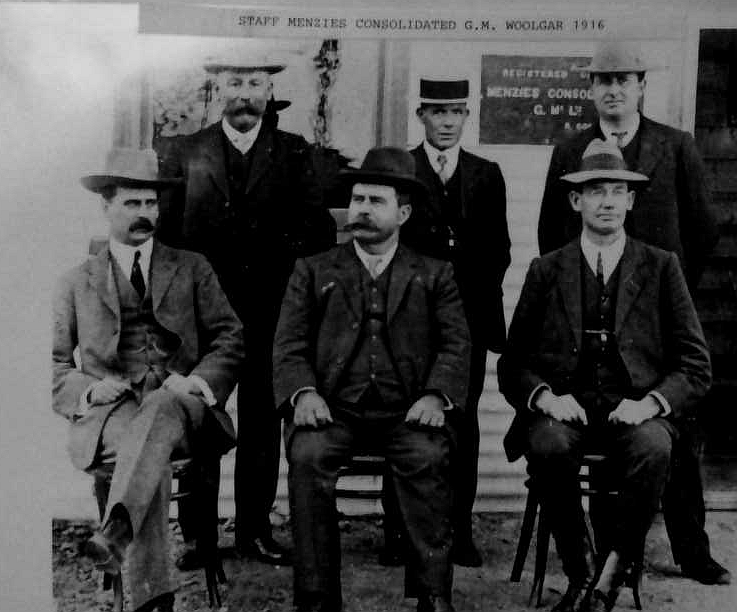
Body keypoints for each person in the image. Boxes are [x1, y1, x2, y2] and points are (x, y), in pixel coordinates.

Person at [536, 40, 729, 586]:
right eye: (604, 81)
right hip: (593, 320)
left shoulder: (676, 146)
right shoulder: (570, 152)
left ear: (642, 85)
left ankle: (693, 550)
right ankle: (610, 558)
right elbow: (552, 235)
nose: (614, 89)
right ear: (591, 90)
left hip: (659, 323)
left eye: (624, 79)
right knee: (603, 425)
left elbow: (704, 229)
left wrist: (669, 299)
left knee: (676, 437)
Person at [499, 139, 712, 612]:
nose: (608, 202)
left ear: (632, 200)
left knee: (656, 446)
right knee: (549, 444)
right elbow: (512, 363)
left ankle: (611, 572)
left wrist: (651, 403)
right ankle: (579, 571)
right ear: (576, 201)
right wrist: (546, 399)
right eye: (596, 191)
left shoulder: (661, 267)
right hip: (566, 408)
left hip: (635, 408)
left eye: (618, 191)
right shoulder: (546, 270)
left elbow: (695, 364)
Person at [273, 147, 471, 612]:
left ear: (403, 213)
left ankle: (432, 594)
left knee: (428, 455)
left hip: (406, 411)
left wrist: (435, 395)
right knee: (307, 455)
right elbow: (288, 344)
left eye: (375, 201)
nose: (361, 208)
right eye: (357, 199)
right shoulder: (314, 269)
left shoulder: (435, 274)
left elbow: (457, 344)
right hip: (334, 408)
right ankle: (317, 597)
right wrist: (303, 393)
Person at [157, 54, 336, 565]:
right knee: (199, 414)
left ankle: (254, 530)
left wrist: (293, 293)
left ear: (268, 90)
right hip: (200, 319)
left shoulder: (294, 153)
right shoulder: (185, 153)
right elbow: (168, 237)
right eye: (235, 82)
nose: (244, 93)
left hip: (269, 312)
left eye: (255, 83)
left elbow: (317, 233)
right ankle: (198, 537)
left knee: (261, 422)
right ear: (217, 87)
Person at [52, 148, 244, 612]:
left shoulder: (192, 266)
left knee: (160, 408)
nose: (145, 214)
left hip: (185, 408)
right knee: (145, 450)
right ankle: (154, 600)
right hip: (113, 413)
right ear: (106, 206)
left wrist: (197, 380)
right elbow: (54, 365)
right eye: (132, 203)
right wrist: (90, 390)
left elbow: (231, 336)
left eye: (151, 204)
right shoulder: (76, 281)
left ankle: (117, 538)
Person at [398, 77, 511, 567]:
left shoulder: (487, 174)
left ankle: (457, 532)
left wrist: (464, 306)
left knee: (460, 429)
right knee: (403, 423)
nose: (447, 122)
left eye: (456, 113)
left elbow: (499, 252)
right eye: (437, 112)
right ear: (421, 114)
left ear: (467, 117)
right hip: (407, 320)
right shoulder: (402, 167)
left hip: (465, 322)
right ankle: (401, 534)